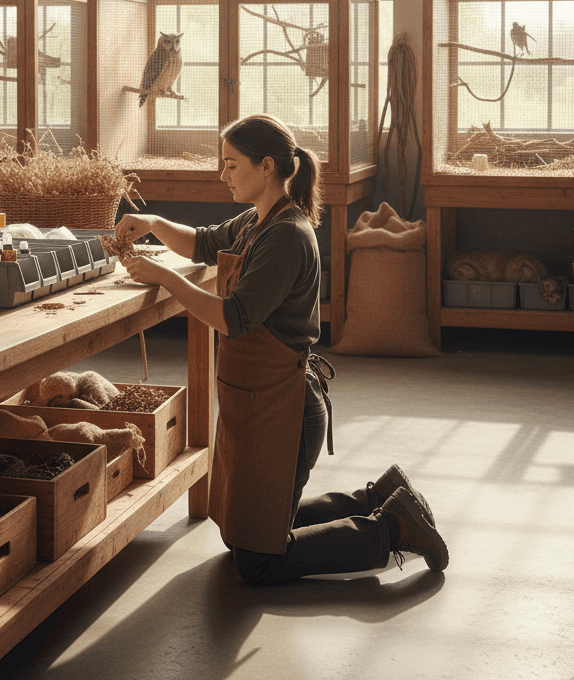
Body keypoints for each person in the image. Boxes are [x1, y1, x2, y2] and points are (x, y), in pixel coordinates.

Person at [115, 113, 448, 585]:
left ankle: (393, 527)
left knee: (258, 561)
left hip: (285, 407)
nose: (222, 174)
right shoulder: (257, 221)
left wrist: (164, 280)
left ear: (266, 165)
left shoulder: (287, 236)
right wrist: (151, 222)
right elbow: (202, 243)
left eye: (231, 165)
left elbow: (234, 318)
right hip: (256, 396)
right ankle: (377, 498)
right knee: (244, 535)